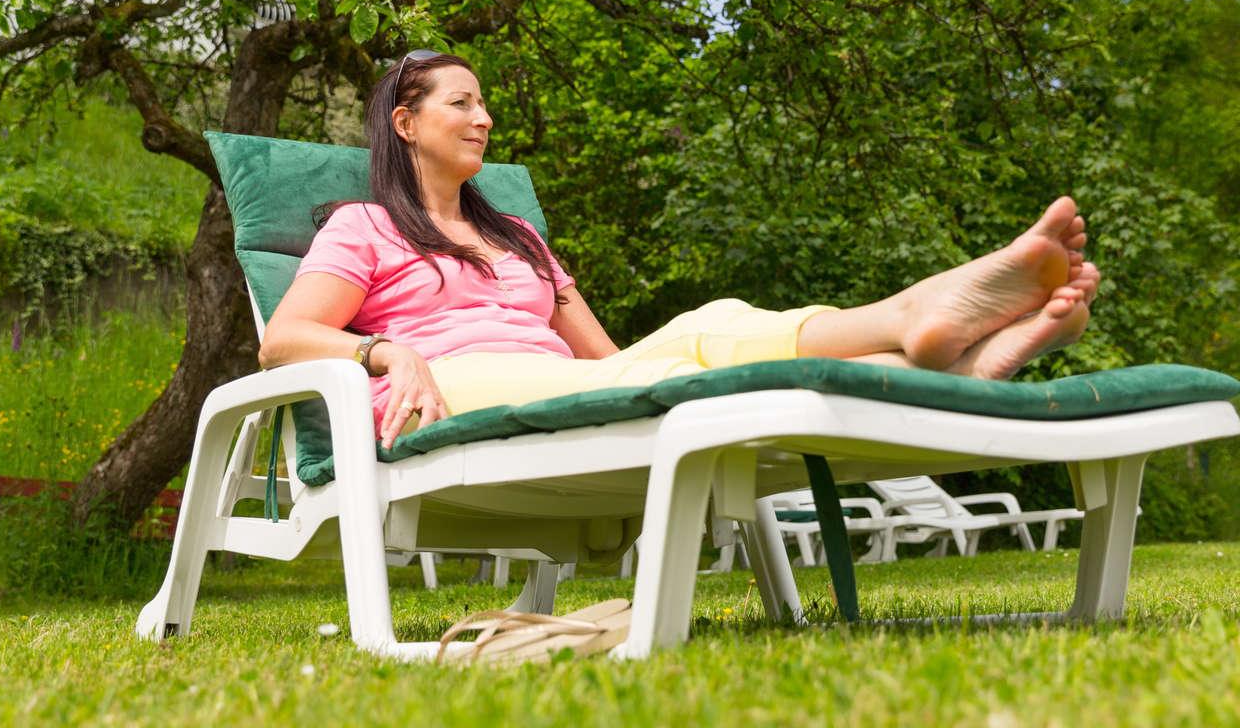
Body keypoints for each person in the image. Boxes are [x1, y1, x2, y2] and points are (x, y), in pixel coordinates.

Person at [259, 52, 1101, 450]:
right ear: (404, 124)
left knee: (709, 327)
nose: (484, 118)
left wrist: (658, 370)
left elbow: (611, 366)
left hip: (560, 389)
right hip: (448, 391)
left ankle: (929, 339)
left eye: (487, 105)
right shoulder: (364, 225)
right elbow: (282, 341)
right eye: (462, 103)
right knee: (684, 358)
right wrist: (386, 350)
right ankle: (935, 347)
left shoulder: (520, 239)